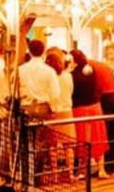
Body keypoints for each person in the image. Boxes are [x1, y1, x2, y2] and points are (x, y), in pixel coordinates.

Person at [69, 48, 109, 180]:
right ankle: (101, 169)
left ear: (73, 60)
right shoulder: (90, 70)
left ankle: (83, 171)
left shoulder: (72, 75)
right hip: (95, 107)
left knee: (83, 140)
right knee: (98, 137)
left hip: (80, 109)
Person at [44, 48, 76, 183]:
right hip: (67, 111)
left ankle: (55, 174)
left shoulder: (49, 77)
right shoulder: (68, 76)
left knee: (53, 146)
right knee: (69, 145)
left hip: (54, 112)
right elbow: (71, 91)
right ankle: (70, 174)